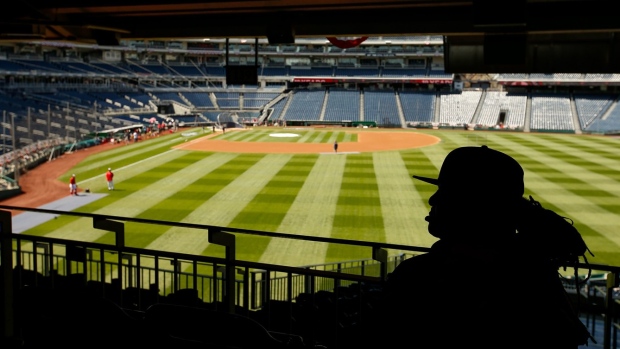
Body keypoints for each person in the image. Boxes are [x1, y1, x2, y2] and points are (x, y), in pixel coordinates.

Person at [375, 145, 592, 349]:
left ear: (475, 207)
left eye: (447, 194)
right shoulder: (532, 275)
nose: (433, 200)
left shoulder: (419, 275)